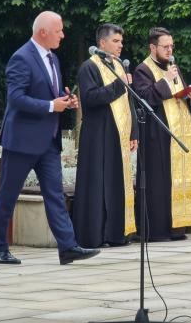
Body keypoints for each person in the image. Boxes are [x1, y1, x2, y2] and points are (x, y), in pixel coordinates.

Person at [0, 11, 100, 265]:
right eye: (59, 30)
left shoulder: (53, 58)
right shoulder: (21, 58)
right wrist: (51, 105)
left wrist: (65, 100)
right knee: (8, 194)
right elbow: (16, 99)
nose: (63, 34)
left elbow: (51, 93)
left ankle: (68, 247)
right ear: (43, 33)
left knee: (55, 195)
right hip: (22, 141)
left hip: (48, 142)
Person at [132, 27, 191, 242]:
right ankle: (158, 230)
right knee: (159, 182)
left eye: (172, 46)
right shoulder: (143, 69)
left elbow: (178, 97)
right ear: (153, 47)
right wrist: (166, 80)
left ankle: (178, 227)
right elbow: (143, 98)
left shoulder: (173, 67)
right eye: (165, 46)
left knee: (179, 180)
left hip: (178, 134)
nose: (170, 50)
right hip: (157, 136)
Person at [73, 24, 139, 248]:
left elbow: (129, 101)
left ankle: (116, 233)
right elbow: (91, 98)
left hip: (119, 136)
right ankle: (94, 235)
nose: (121, 46)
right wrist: (120, 85)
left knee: (116, 183)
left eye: (121, 42)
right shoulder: (88, 67)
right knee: (98, 185)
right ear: (102, 43)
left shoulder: (117, 65)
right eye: (116, 41)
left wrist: (133, 131)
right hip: (98, 134)